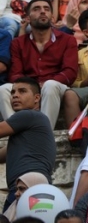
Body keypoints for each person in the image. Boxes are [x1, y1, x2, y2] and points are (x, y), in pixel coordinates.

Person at [0, 0, 78, 129]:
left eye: (46, 9)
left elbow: (70, 72)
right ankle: (16, 134)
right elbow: (15, 73)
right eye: (36, 9)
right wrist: (32, 89)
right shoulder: (18, 43)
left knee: (50, 85)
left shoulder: (68, 40)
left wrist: (42, 86)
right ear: (27, 18)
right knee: (4, 89)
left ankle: (43, 133)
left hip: (56, 87)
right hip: (29, 86)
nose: (42, 12)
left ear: (52, 17)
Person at [0, 77, 55, 210]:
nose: (15, 95)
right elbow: (2, 155)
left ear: (37, 98)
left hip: (28, 187)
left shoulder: (28, 115)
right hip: (31, 187)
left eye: (22, 91)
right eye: (13, 92)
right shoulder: (29, 130)